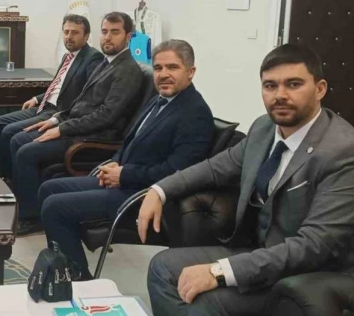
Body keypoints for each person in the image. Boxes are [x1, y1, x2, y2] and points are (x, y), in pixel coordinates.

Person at [138, 44, 354, 315]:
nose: (280, 95)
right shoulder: (264, 128)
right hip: (257, 250)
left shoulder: (342, 151)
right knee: (163, 267)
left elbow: (314, 246)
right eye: (270, 86)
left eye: (294, 84)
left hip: (307, 273)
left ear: (320, 89)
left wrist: (219, 271)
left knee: (201, 301)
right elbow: (214, 168)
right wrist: (159, 190)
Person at [38, 40, 214, 280]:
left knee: (55, 207)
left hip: (144, 196)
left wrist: (124, 174)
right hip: (125, 179)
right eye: (158, 68)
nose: (163, 74)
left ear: (190, 72)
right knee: (48, 189)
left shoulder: (195, 113)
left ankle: (79, 281)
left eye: (172, 67)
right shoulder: (160, 99)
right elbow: (132, 139)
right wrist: (115, 161)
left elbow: (177, 173)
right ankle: (65, 263)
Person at [12, 12, 144, 235]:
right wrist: (56, 119)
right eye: (104, 32)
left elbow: (106, 116)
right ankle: (25, 204)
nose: (107, 37)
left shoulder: (127, 70)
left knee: (26, 151)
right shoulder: (107, 62)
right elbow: (81, 102)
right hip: (77, 127)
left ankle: (32, 218)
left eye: (115, 32)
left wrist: (62, 128)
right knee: (20, 139)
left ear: (128, 37)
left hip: (94, 138)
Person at [0, 14, 104, 180]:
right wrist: (37, 99)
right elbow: (59, 87)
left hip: (58, 112)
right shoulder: (68, 56)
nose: (69, 36)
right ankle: (1, 174)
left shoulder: (93, 58)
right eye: (66, 32)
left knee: (9, 132)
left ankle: (9, 180)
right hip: (44, 105)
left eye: (75, 33)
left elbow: (87, 96)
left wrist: (57, 118)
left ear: (86, 36)